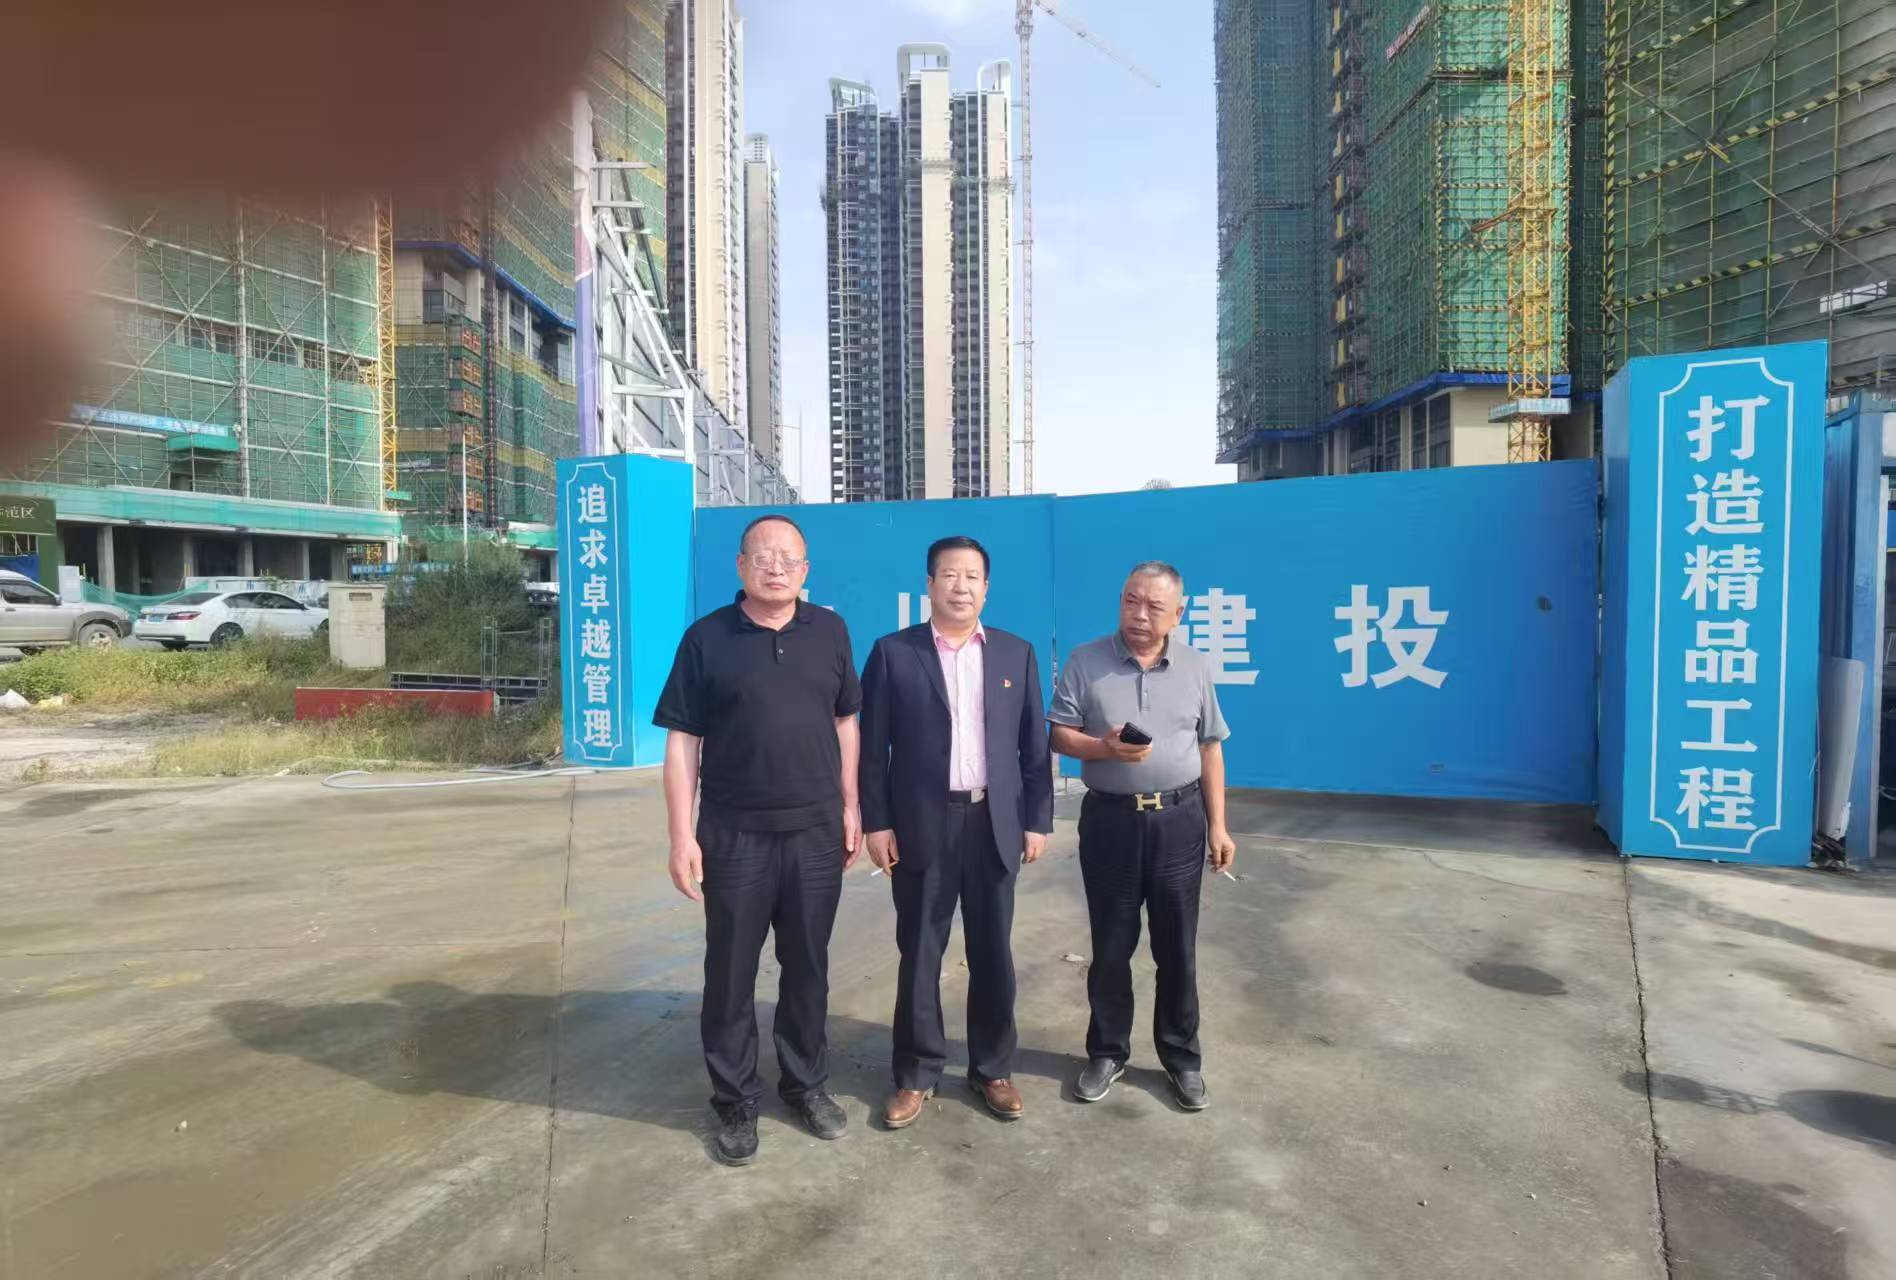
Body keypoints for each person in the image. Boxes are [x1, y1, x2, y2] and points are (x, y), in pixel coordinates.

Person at [654, 514, 863, 1166]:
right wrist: (680, 835)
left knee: (807, 968)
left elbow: (846, 723)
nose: (777, 567)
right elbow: (683, 742)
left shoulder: (829, 631)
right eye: (764, 556)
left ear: (806, 570)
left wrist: (852, 805)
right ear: (741, 566)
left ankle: (806, 1085)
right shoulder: (707, 638)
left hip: (815, 832)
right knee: (730, 972)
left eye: (789, 558)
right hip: (734, 833)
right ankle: (736, 1100)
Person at [859, 535, 1054, 1128]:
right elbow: (872, 750)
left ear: (986, 588)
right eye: (949, 574)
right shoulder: (894, 653)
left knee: (994, 952)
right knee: (920, 952)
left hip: (994, 823)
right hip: (922, 824)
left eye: (971, 576)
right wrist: (877, 822)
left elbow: (1034, 748)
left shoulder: (1015, 654)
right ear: (930, 584)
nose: (960, 586)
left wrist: (1036, 820)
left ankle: (992, 1068)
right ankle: (916, 1073)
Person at [1047, 561, 1237, 1111]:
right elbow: (1059, 735)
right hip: (1111, 821)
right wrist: (1102, 748)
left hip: (1179, 821)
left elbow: (1210, 747)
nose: (1139, 615)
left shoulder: (1195, 666)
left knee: (1177, 946)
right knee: (1111, 945)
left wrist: (1219, 825)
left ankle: (1182, 1058)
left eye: (1154, 606)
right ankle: (1107, 1051)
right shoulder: (1086, 661)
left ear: (1178, 613)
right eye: (1131, 600)